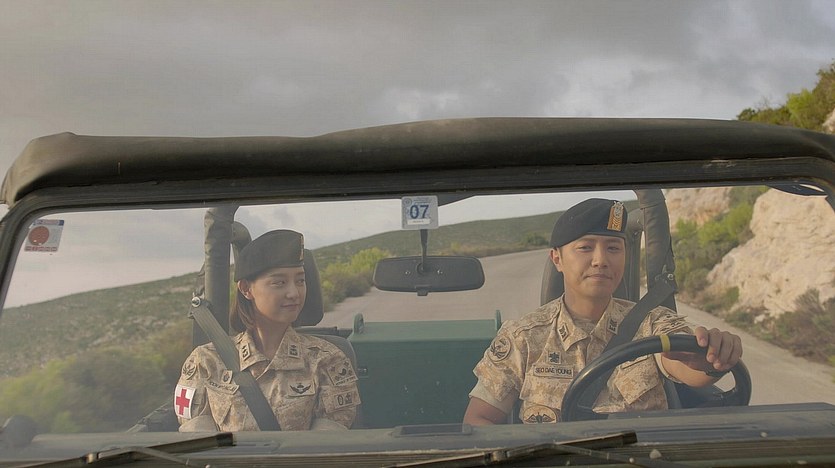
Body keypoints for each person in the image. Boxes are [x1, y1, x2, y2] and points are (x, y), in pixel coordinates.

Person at [463, 199, 743, 425]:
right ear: (557, 258)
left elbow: (686, 366)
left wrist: (710, 357)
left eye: (613, 248)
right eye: (585, 248)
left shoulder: (651, 323)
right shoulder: (523, 337)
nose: (601, 260)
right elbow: (479, 419)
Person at [176, 229, 360, 431]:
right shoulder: (206, 361)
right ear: (246, 289)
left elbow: (327, 443)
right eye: (279, 283)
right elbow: (196, 438)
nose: (294, 293)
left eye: (300, 281)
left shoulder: (327, 360)